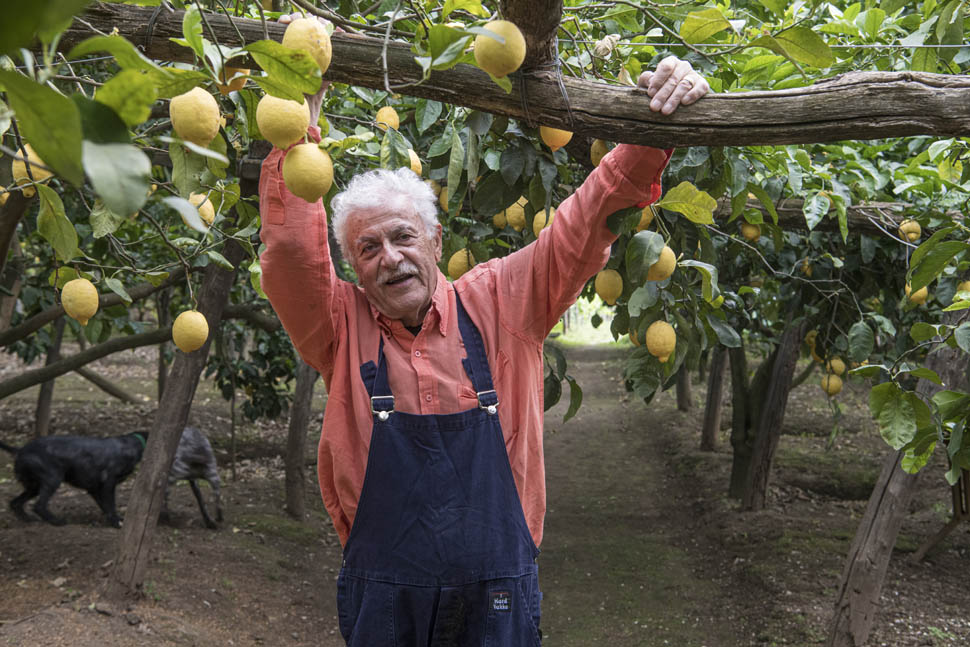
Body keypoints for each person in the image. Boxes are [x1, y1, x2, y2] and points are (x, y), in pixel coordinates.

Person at [259, 22, 709, 642]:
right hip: (386, 599)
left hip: (497, 595)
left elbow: (584, 220)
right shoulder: (338, 327)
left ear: (436, 242)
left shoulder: (504, 300)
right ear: (352, 267)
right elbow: (288, 250)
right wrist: (297, 132)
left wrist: (654, 123)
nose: (389, 257)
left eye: (402, 237)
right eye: (368, 247)